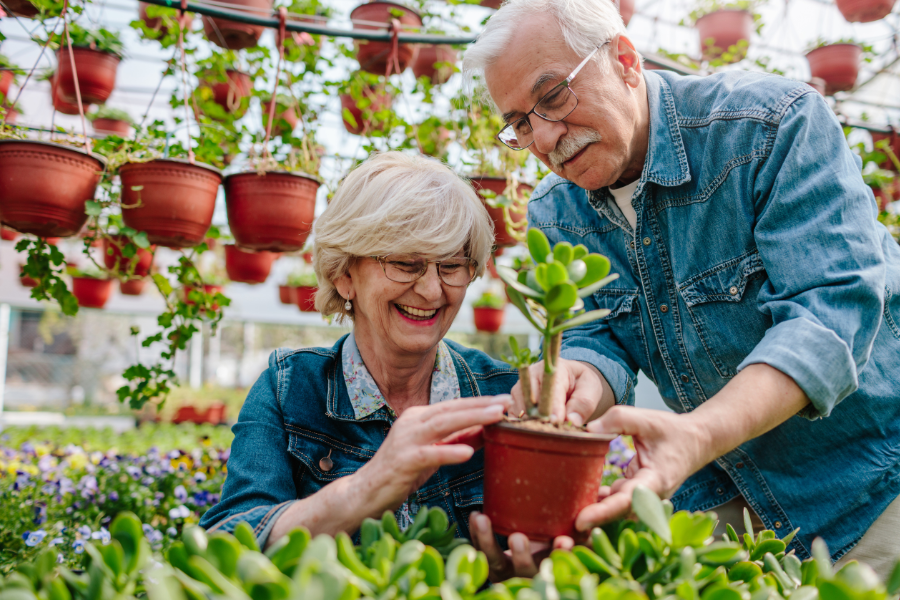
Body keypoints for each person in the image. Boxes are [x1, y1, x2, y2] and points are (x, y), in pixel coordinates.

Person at [462, 0, 900, 577]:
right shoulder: (556, 210)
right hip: (724, 500)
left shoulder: (770, 126)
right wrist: (578, 381)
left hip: (870, 484)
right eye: (520, 122)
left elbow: (828, 317)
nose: (544, 137)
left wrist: (696, 434)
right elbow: (606, 341)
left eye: (553, 97)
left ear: (623, 59)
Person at [199, 152, 568, 576]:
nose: (431, 290)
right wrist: (368, 488)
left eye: (451, 266)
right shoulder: (290, 388)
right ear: (345, 275)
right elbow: (225, 543)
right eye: (405, 263)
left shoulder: (506, 396)